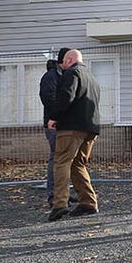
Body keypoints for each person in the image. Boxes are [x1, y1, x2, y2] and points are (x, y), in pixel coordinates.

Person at [47, 49, 101, 221]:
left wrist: (54, 117)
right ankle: (88, 202)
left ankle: (60, 204)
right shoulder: (92, 77)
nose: (62, 66)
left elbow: (66, 96)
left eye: (63, 62)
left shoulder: (72, 73)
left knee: (62, 161)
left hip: (71, 128)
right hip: (91, 127)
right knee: (78, 164)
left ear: (69, 60)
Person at [39, 47, 76, 207]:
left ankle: (62, 194)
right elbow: (48, 97)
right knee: (57, 158)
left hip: (60, 122)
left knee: (62, 159)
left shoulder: (61, 75)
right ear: (65, 60)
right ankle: (54, 195)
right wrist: (57, 116)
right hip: (54, 124)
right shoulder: (51, 76)